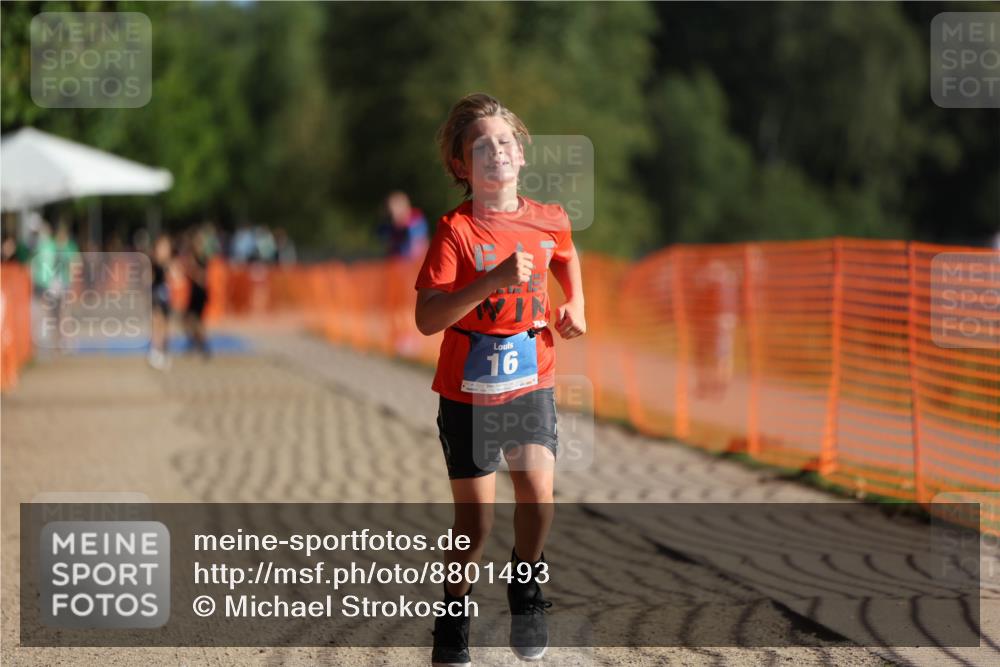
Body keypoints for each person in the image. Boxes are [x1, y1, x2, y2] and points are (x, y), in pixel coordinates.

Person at [414, 93, 586, 666]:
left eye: (505, 142)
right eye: (480, 146)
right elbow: (427, 318)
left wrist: (576, 302)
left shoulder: (548, 217)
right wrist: (490, 281)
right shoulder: (455, 233)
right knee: (475, 523)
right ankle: (454, 613)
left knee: (538, 494)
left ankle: (526, 588)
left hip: (531, 375)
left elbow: (564, 252)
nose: (496, 152)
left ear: (522, 154)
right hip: (468, 388)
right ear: (462, 166)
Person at [178, 229, 211, 358]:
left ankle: (201, 344)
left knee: (195, 320)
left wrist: (190, 271)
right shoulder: (195, 257)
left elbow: (201, 277)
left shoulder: (201, 258)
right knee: (190, 319)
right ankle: (197, 343)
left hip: (199, 292)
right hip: (196, 292)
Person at [147, 234, 174, 371]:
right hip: (156, 294)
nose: (165, 249)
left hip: (165, 296)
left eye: (167, 247)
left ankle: (162, 352)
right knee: (157, 322)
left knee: (165, 325)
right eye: (163, 247)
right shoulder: (154, 262)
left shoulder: (168, 263)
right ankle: (155, 352)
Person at [381, 191, 429, 260]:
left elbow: (414, 251)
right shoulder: (391, 227)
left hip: (415, 263)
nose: (392, 220)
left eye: (393, 214)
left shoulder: (415, 224)